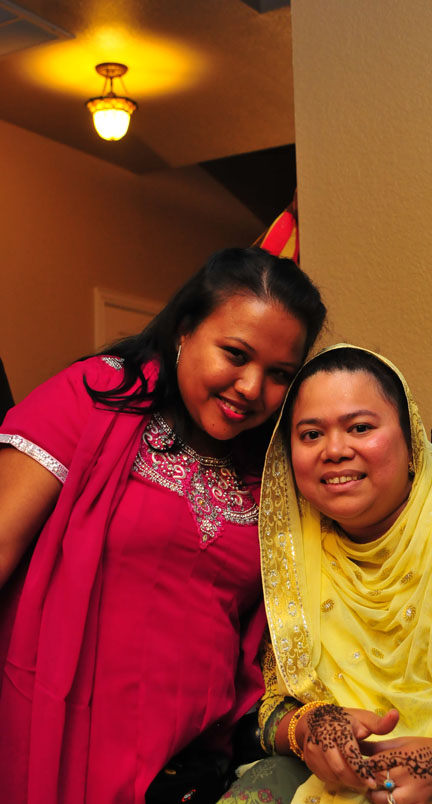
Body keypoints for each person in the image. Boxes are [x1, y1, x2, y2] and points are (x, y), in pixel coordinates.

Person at [0, 246, 327, 804]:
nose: (252, 388)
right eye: (235, 354)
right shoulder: (95, 395)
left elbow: (394, 491)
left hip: (186, 765)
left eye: (279, 375)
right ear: (184, 330)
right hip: (60, 733)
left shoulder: (273, 467)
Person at [222, 344, 432, 804]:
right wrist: (313, 726)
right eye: (311, 434)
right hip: (344, 779)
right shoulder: (292, 550)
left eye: (360, 428)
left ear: (411, 441)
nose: (334, 450)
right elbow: (270, 704)